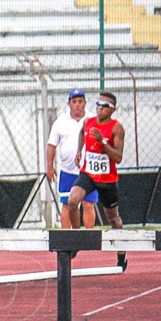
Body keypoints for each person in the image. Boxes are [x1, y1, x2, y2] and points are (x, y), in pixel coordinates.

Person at [67, 91, 127, 270]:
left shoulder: (116, 128)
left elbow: (118, 158)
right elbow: (82, 134)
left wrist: (103, 143)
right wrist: (80, 150)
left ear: (112, 110)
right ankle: (76, 239)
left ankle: (121, 254)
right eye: (98, 104)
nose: (100, 108)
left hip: (107, 179)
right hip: (89, 175)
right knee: (72, 201)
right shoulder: (88, 122)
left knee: (113, 219)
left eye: (105, 106)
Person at [47, 88, 96, 228]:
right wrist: (50, 166)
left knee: (88, 204)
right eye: (74, 101)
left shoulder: (92, 120)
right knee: (67, 204)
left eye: (80, 101)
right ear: (69, 104)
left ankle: (89, 238)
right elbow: (51, 145)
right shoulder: (60, 121)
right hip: (68, 171)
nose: (77, 104)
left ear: (85, 103)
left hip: (88, 171)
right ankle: (67, 238)